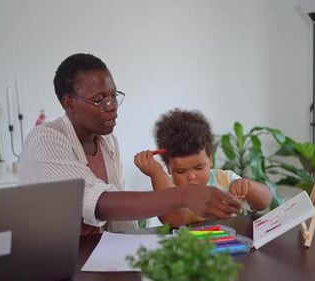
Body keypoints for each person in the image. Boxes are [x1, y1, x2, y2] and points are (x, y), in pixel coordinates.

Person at [18, 53, 242, 235]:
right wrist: (184, 196)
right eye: (99, 99)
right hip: (56, 259)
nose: (111, 106)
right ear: (69, 103)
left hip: (97, 253)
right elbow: (100, 202)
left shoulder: (107, 142)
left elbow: (117, 220)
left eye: (113, 95)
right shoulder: (45, 139)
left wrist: (135, 249)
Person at [134, 108, 272, 227]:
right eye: (181, 171)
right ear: (169, 167)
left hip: (230, 246)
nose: (192, 176)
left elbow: (264, 203)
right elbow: (171, 219)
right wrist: (156, 173)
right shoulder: (168, 187)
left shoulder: (225, 180)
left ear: (210, 159)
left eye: (199, 168)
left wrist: (249, 187)